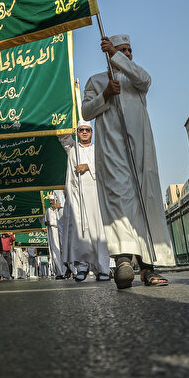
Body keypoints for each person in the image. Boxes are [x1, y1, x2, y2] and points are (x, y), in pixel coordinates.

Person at [81, 35, 171, 289]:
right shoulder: (96, 81)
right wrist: (106, 94)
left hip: (141, 151)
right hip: (112, 152)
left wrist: (116, 55)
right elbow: (86, 112)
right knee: (120, 201)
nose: (128, 53)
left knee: (145, 202)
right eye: (123, 50)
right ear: (108, 52)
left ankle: (148, 268)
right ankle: (122, 262)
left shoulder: (136, 78)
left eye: (130, 50)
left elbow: (146, 80)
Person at [58, 121, 112, 282]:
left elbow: (105, 164)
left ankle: (102, 269)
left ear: (92, 132)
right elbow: (61, 134)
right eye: (81, 130)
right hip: (77, 198)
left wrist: (88, 166)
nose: (84, 132)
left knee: (98, 234)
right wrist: (68, 117)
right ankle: (81, 268)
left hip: (95, 197)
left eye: (87, 130)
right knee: (79, 233)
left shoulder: (98, 150)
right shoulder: (72, 148)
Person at [44, 191, 66, 278]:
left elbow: (60, 221)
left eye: (52, 201)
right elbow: (44, 220)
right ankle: (60, 272)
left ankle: (68, 271)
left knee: (63, 250)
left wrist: (52, 223)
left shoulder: (59, 210)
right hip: (52, 233)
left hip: (60, 231)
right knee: (55, 252)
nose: (51, 203)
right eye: (50, 201)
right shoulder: (48, 210)